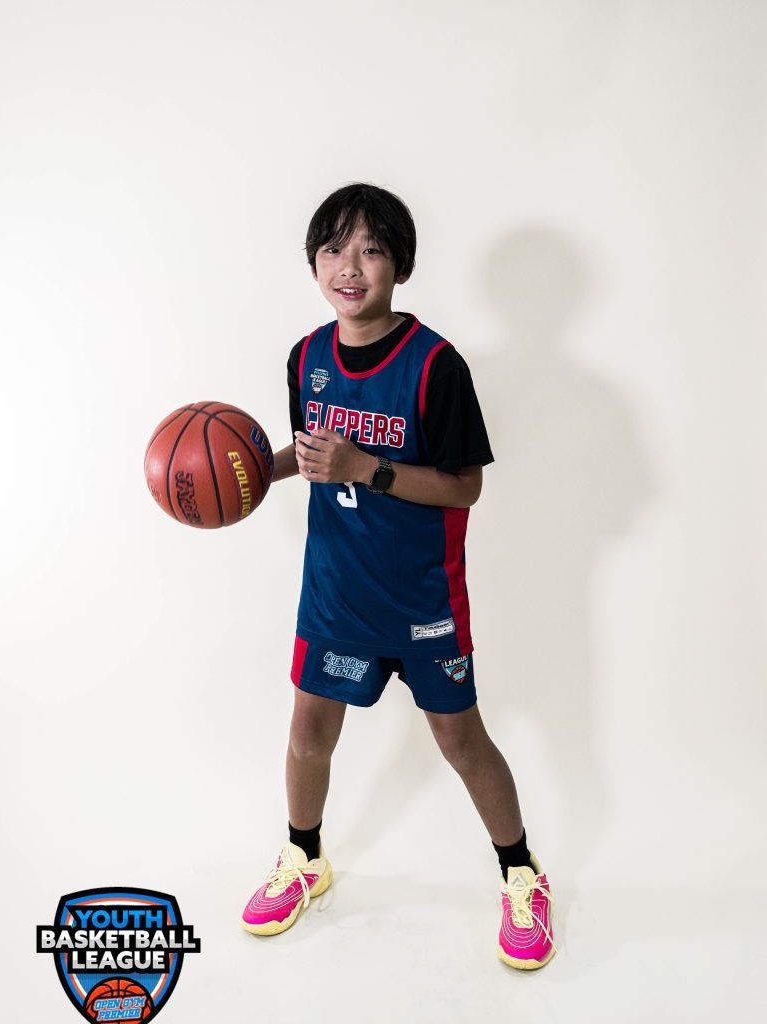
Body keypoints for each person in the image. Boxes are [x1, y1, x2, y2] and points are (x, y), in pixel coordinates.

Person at [240, 183, 555, 969]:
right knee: (309, 732)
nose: (350, 267)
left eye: (372, 250)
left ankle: (521, 872)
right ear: (313, 263)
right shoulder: (306, 358)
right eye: (333, 250)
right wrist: (247, 475)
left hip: (422, 598)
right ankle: (303, 856)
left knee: (461, 739)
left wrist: (369, 469)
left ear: (400, 266)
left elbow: (464, 486)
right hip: (336, 592)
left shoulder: (435, 367)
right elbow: (315, 452)